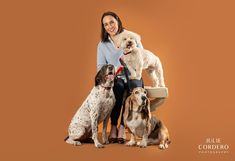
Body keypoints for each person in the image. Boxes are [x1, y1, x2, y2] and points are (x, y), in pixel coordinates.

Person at [97, 11, 144, 144]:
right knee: (117, 88)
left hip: (133, 73)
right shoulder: (102, 44)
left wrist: (132, 52)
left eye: (112, 22)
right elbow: (100, 66)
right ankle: (113, 126)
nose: (110, 26)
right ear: (103, 27)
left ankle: (123, 126)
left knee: (134, 88)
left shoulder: (131, 36)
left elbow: (142, 56)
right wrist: (112, 73)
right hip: (115, 76)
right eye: (105, 24)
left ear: (118, 21)